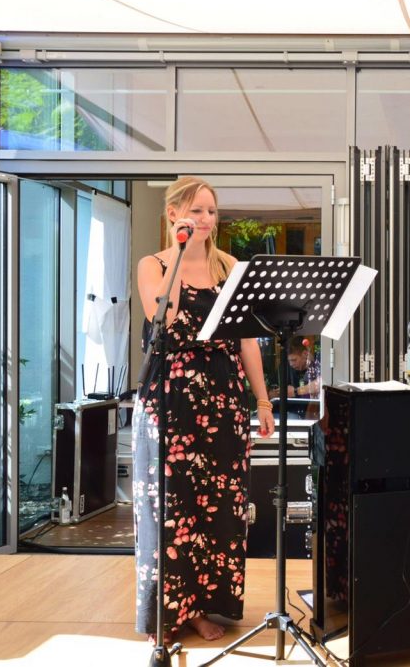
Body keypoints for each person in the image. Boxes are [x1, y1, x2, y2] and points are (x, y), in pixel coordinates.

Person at [132, 176, 274, 645]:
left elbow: (247, 340)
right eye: (196, 210)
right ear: (173, 214)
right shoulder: (153, 265)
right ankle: (168, 613)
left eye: (212, 211)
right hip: (170, 400)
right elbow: (165, 317)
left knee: (220, 508)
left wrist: (262, 400)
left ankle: (205, 606)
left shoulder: (230, 267)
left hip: (223, 400)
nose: (207, 219)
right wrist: (179, 254)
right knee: (170, 508)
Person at [273, 336, 321, 418]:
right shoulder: (286, 368)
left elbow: (319, 384)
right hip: (292, 412)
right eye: (289, 361)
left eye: (294, 360)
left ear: (305, 354)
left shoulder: (317, 365)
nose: (291, 364)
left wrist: (295, 391)